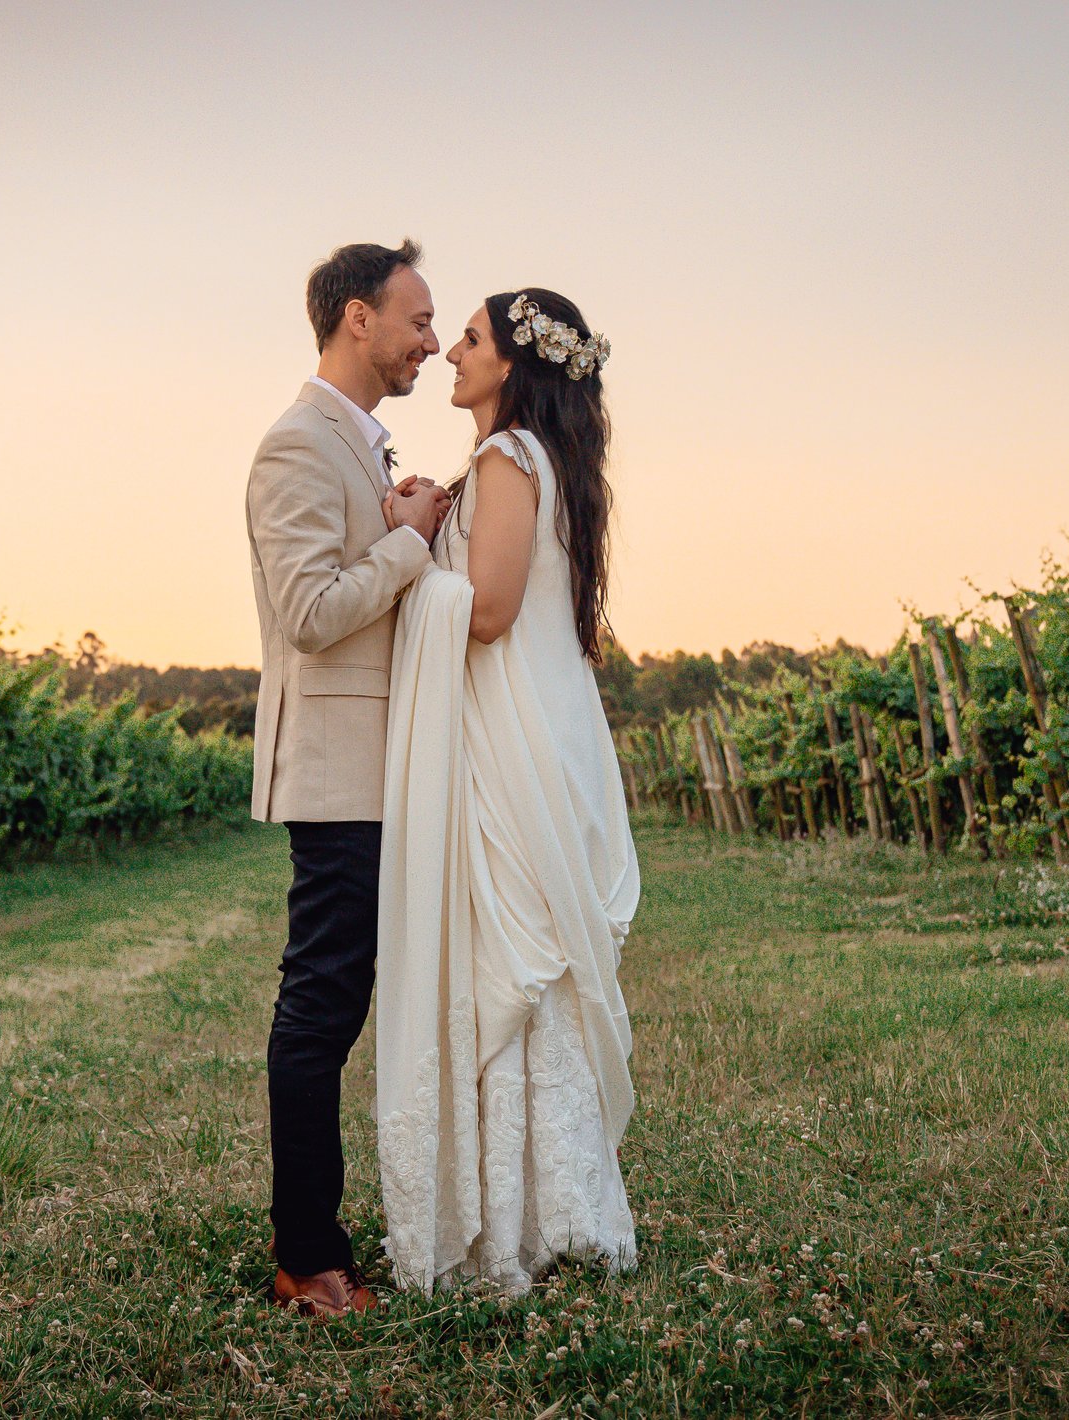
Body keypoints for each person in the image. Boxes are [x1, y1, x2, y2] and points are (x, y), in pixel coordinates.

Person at [375, 287, 640, 1294]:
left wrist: (411, 541)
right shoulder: (535, 462)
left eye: (471, 339)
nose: (451, 352)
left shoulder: (505, 458)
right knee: (524, 972)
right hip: (536, 723)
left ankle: (518, 1222)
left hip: (508, 739)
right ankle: (544, 1206)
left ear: (512, 366)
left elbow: (483, 612)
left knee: (505, 960)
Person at [243, 239, 451, 1319]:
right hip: (337, 774)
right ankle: (305, 1255)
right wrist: (408, 539)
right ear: (356, 319)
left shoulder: (355, 448)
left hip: (381, 769)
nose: (429, 339)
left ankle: (317, 1234)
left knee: (344, 997)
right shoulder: (295, 445)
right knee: (320, 1005)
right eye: (417, 319)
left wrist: (398, 513)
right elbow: (311, 616)